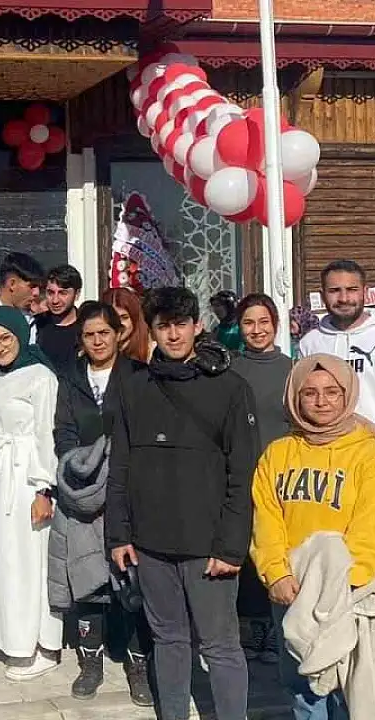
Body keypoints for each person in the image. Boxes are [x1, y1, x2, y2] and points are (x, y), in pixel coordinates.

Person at [107, 286, 258, 720]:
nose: (173, 335)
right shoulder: (134, 387)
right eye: (163, 326)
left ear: (197, 327)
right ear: (151, 330)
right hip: (150, 543)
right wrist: (118, 534)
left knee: (220, 645)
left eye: (180, 325)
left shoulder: (229, 388)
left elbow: (243, 474)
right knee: (168, 641)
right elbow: (120, 465)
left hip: (209, 547)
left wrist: (231, 547)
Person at [252, 353, 375, 720]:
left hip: (352, 595)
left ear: (347, 394)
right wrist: (277, 573)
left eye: (332, 392)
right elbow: (266, 522)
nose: (321, 401)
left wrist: (333, 582)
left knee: (353, 701)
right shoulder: (277, 454)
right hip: (293, 594)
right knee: (305, 694)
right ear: (295, 397)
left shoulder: (370, 453)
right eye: (310, 393)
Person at [49, 302, 152, 707]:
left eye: (104, 333)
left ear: (118, 334)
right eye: (90, 335)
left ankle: (137, 665)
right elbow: (63, 431)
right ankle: (90, 662)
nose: (97, 341)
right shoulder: (70, 377)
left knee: (129, 579)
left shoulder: (138, 375)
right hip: (83, 489)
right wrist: (79, 466)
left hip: (128, 488)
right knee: (88, 575)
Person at [0, 307, 63, 681]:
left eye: (5, 338)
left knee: (27, 562)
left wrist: (43, 489)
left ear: (20, 336)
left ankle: (40, 645)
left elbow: (46, 434)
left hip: (25, 478)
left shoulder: (41, 377)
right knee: (1, 557)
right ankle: (5, 635)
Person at [300, 260, 375, 468]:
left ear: (365, 292)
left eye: (352, 289)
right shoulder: (311, 343)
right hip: (326, 461)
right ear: (322, 295)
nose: (344, 298)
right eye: (334, 291)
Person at [229, 292, 294, 664]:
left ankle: (275, 626)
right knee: (246, 549)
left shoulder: (291, 370)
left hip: (281, 475)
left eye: (263, 322)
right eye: (249, 323)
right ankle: (251, 625)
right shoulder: (231, 369)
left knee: (276, 548)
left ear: (276, 325)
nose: (257, 330)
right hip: (241, 473)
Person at [35, 265, 84, 370]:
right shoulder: (36, 325)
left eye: (63, 293)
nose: (55, 300)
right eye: (50, 293)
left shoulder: (86, 326)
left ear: (77, 294)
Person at [101, 287, 154, 362]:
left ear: (134, 318)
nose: (119, 323)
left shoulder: (152, 352)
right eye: (113, 317)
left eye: (124, 317)